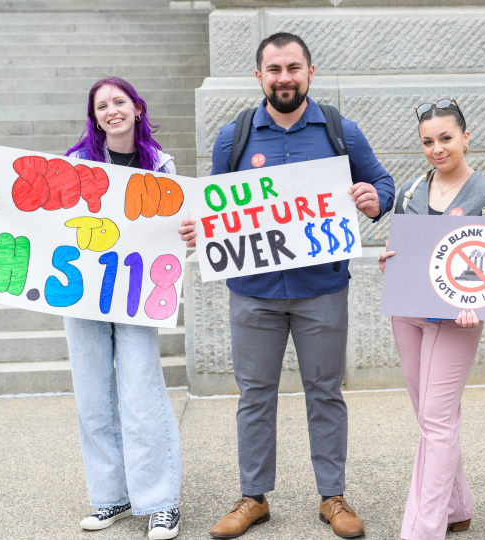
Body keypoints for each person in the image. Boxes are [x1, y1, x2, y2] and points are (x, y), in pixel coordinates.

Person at [177, 33, 395, 539]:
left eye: (293, 68)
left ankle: (332, 496)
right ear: (259, 77)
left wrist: (373, 198)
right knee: (255, 396)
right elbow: (214, 207)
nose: (284, 78)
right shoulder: (233, 137)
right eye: (274, 70)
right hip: (253, 293)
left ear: (310, 72)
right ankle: (253, 498)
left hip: (322, 290)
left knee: (326, 393)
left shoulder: (341, 131)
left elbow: (383, 184)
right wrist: (199, 227)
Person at [0, 76, 183, 540]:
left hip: (133, 295)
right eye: (101, 106)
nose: (112, 111)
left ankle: (160, 503)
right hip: (82, 293)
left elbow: (172, 229)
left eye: (119, 102)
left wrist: (186, 231)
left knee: (142, 397)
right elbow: (37, 213)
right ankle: (111, 495)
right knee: (93, 398)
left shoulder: (161, 165)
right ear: (94, 117)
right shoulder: (74, 164)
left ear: (137, 108)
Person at [378, 99, 485, 540]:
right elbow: (402, 247)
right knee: (432, 417)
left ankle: (422, 530)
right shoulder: (410, 191)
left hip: (457, 321)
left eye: (446, 138)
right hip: (408, 313)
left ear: (465, 138)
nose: (437, 149)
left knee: (436, 421)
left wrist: (483, 305)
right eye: (427, 141)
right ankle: (457, 506)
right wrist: (388, 262)